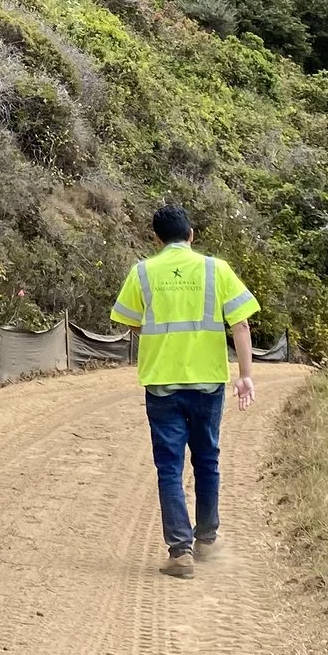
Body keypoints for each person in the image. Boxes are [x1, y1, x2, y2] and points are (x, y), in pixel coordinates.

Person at [110, 203, 258, 578]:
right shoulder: (216, 269)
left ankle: (180, 552)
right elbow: (240, 325)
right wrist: (245, 375)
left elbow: (131, 323)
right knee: (207, 459)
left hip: (162, 383)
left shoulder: (142, 271)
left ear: (156, 238)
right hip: (208, 381)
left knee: (169, 467)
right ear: (192, 235)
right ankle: (207, 538)